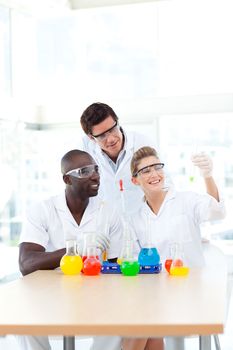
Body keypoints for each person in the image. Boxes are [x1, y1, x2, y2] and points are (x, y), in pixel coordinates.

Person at [122, 147, 225, 350]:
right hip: (154, 294)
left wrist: (208, 176)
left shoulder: (186, 200)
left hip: (190, 291)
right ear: (135, 180)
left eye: (157, 167)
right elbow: (134, 262)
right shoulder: (134, 218)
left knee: (142, 326)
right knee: (143, 325)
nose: (154, 174)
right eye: (146, 171)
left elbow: (216, 212)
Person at [18, 149, 122, 350]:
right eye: (84, 171)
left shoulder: (108, 212)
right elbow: (26, 264)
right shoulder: (43, 210)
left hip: (96, 294)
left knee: (121, 319)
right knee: (25, 320)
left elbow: (116, 265)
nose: (95, 175)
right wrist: (74, 250)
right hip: (49, 294)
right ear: (67, 179)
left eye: (96, 169)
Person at [80, 102, 160, 215]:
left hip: (143, 219)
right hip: (108, 224)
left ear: (117, 122)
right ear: (91, 138)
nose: (111, 139)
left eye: (112, 129)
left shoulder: (142, 144)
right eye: (102, 136)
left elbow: (164, 183)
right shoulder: (87, 153)